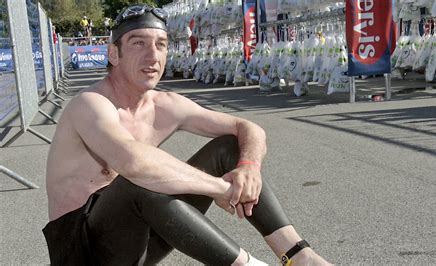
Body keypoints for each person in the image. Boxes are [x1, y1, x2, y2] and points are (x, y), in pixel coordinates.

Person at [43, 4, 332, 266]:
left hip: (139, 243)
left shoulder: (165, 105)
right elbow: (134, 163)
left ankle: (299, 256)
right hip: (82, 252)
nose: (152, 56)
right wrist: (222, 189)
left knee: (229, 147)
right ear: (113, 54)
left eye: (161, 45)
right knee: (140, 181)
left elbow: (248, 128)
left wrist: (249, 169)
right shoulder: (90, 104)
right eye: (138, 43)